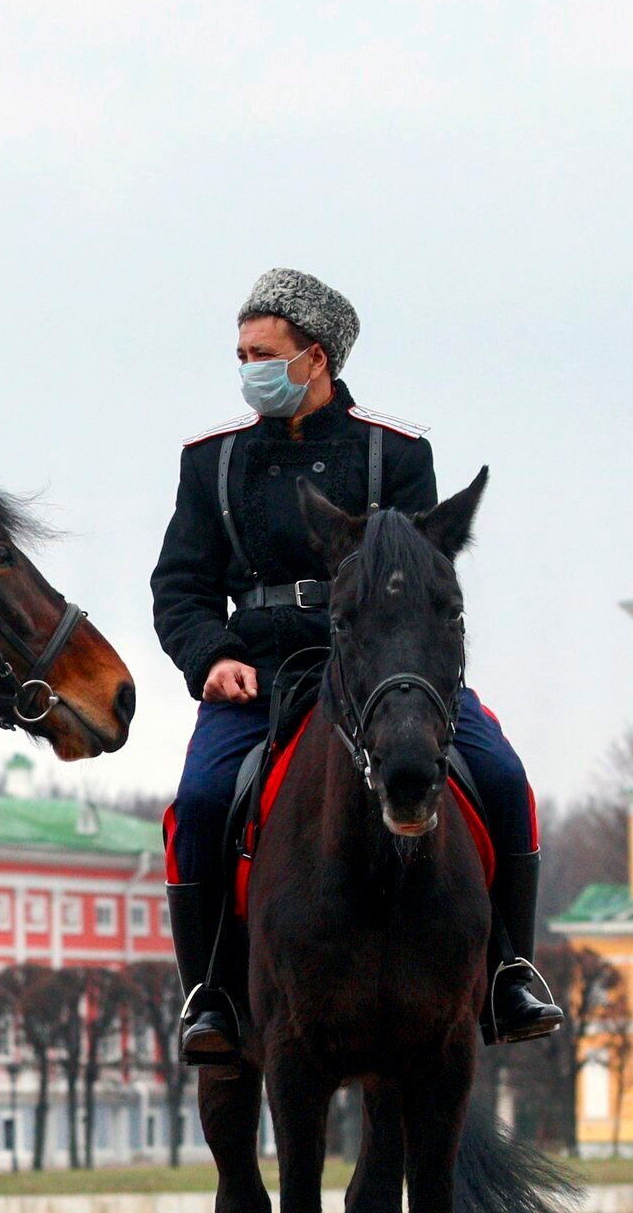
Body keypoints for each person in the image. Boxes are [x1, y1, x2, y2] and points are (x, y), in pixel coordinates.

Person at [151, 266, 561, 1061]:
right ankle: (211, 994)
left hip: (384, 670)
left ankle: (511, 969)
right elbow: (181, 586)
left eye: (263, 353)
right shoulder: (211, 460)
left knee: (504, 778)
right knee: (198, 802)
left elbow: (420, 580)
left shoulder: (396, 452)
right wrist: (211, 656)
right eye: (241, 355)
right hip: (259, 676)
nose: (248, 369)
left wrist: (404, 668)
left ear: (316, 357)